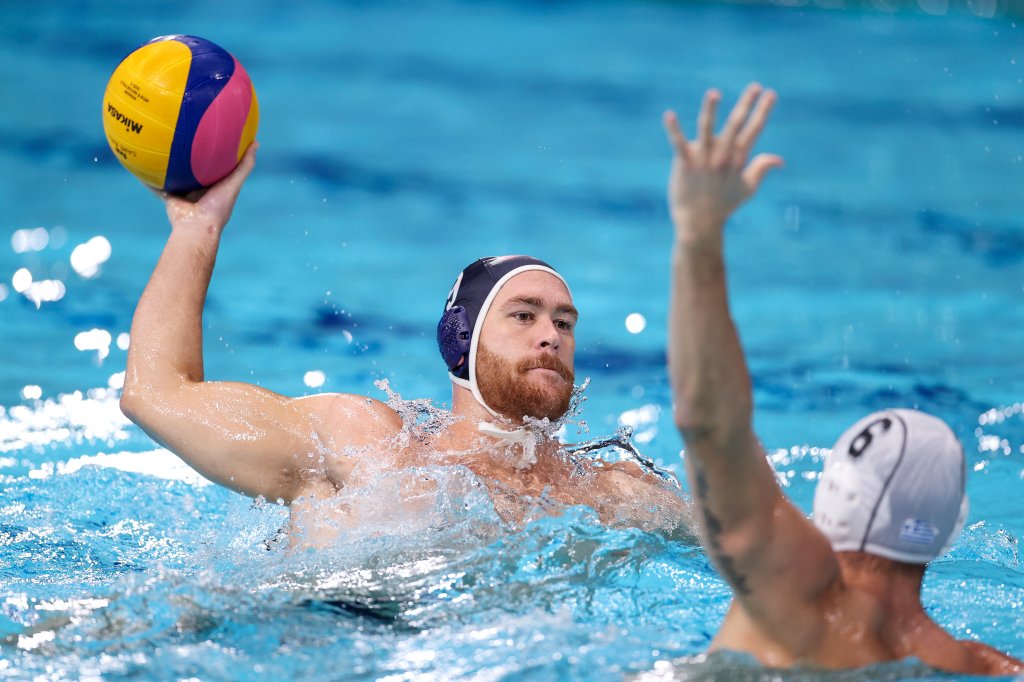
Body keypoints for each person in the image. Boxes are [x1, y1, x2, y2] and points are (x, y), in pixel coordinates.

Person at [119, 145, 691, 548]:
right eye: (523, 315)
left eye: (565, 324)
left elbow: (761, 551)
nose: (551, 335)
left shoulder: (614, 495)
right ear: (459, 339)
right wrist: (198, 229)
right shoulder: (368, 446)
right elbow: (157, 393)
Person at [663, 83, 1023, 675]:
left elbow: (709, 425)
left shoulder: (796, 590)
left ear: (829, 493)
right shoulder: (976, 665)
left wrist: (698, 234)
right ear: (950, 525)